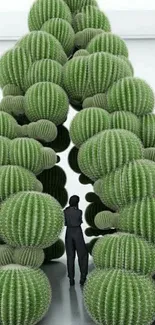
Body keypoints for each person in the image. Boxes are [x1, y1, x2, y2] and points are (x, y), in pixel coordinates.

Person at [64, 195, 88, 286]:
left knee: (70, 256)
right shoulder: (79, 212)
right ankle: (83, 278)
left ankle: (71, 279)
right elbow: (80, 221)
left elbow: (65, 223)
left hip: (69, 233)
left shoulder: (65, 211)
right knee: (82, 255)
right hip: (77, 232)